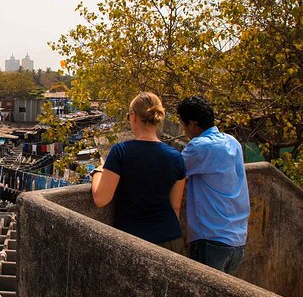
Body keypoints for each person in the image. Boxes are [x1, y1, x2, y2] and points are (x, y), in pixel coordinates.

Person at [91, 92, 187, 254]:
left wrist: (98, 172)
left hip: (134, 242)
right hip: (171, 239)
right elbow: (175, 206)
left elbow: (101, 199)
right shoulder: (176, 156)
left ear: (134, 116)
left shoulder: (121, 152)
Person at [177, 96, 250, 274]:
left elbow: (172, 169)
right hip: (238, 239)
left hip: (212, 239)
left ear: (192, 124)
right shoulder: (232, 142)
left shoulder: (199, 148)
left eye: (184, 125)